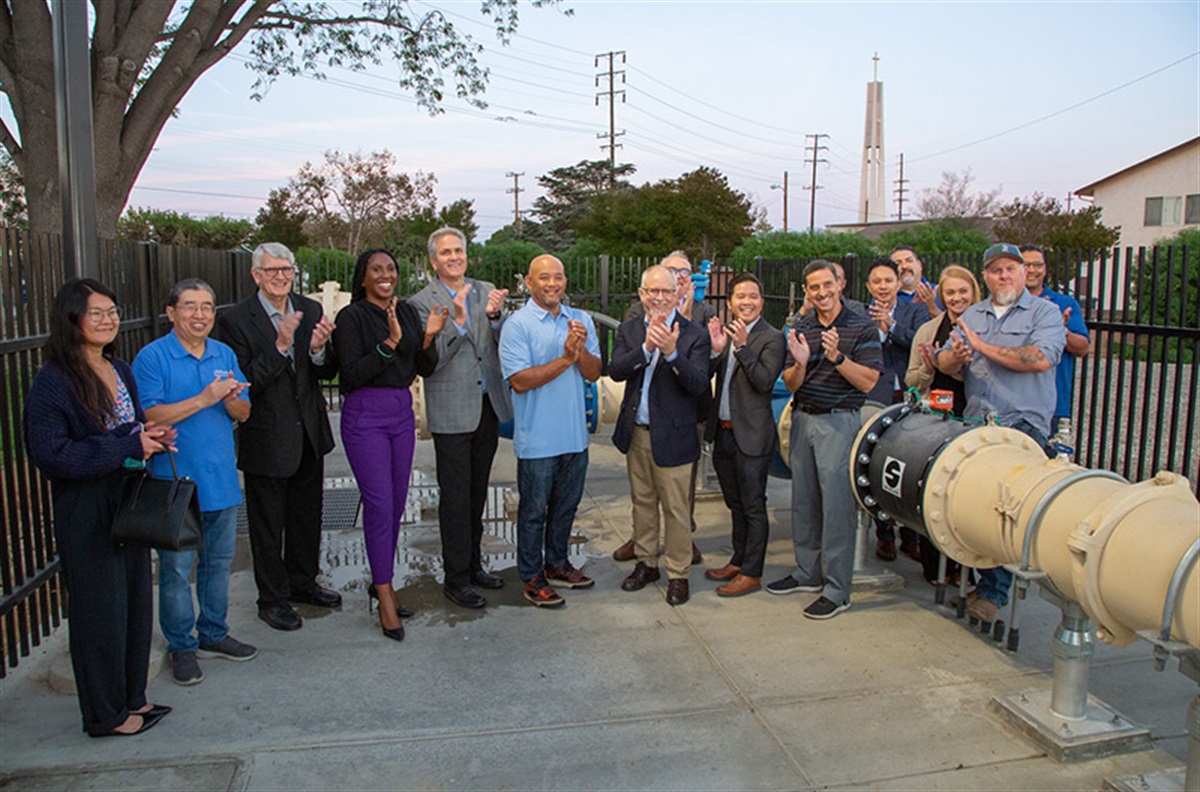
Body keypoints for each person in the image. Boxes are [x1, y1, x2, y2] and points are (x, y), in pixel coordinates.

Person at [24, 279, 176, 736]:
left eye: (112, 311)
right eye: (97, 313)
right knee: (97, 612)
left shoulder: (119, 368)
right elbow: (51, 454)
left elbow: (123, 433)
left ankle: (132, 699)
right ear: (73, 319)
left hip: (126, 497)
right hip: (86, 506)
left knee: (132, 602)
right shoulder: (54, 382)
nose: (109, 320)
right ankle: (104, 716)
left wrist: (147, 441)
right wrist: (124, 446)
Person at [133, 279, 256, 686]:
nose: (200, 315)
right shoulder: (153, 358)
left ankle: (213, 633)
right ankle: (181, 646)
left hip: (221, 481)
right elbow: (151, 417)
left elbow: (243, 413)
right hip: (175, 485)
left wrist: (231, 398)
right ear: (171, 312)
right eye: (190, 306)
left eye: (207, 306)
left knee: (218, 565)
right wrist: (205, 398)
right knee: (175, 570)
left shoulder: (223, 353)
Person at [935, 242, 1065, 623]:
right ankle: (985, 581)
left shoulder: (1046, 313)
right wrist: (953, 357)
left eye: (1011, 269)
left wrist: (981, 347)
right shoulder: (973, 314)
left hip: (1022, 427)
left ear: (1024, 272)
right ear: (986, 277)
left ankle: (994, 593)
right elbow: (946, 358)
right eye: (995, 270)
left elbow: (1040, 358)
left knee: (1007, 513)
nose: (1003, 276)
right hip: (979, 422)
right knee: (977, 508)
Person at [215, 242, 340, 633]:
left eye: (286, 269)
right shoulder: (235, 319)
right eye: (272, 271)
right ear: (256, 275)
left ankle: (303, 583)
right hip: (266, 436)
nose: (281, 277)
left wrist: (318, 351)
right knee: (268, 524)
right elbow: (246, 379)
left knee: (307, 517)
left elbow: (324, 372)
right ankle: (271, 598)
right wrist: (282, 345)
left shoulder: (310, 309)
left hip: (308, 432)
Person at [332, 248, 446, 641]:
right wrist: (391, 343)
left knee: (396, 504)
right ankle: (384, 593)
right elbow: (348, 374)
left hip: (400, 410)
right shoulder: (351, 318)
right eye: (376, 269)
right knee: (379, 503)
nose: (385, 275)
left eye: (391, 268)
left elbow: (424, 368)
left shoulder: (409, 312)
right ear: (362, 278)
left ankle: (381, 579)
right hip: (366, 415)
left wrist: (427, 336)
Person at [767, 260, 882, 620]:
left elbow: (868, 382)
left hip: (839, 423)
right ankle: (807, 572)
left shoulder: (862, 327)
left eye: (826, 285)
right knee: (804, 501)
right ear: (806, 292)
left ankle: (836, 589)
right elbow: (791, 383)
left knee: (836, 509)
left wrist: (837, 357)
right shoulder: (802, 327)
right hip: (803, 418)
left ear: (839, 284)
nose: (821, 292)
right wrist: (800, 362)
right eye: (813, 287)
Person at [409, 227, 513, 609]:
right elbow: (430, 361)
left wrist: (496, 316)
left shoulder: (486, 289)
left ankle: (473, 565)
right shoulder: (421, 303)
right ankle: (455, 579)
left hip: (488, 406)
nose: (454, 257)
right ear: (434, 261)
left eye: (459, 250)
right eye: (446, 252)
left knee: (477, 493)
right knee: (455, 498)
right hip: (452, 411)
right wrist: (458, 321)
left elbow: (502, 342)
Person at [498, 255, 601, 607]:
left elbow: (594, 372)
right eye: (544, 278)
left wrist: (580, 350)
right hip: (538, 440)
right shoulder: (518, 325)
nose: (552, 284)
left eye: (557, 277)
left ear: (565, 281)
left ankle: (557, 564)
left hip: (574, 436)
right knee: (533, 513)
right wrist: (565, 359)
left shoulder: (581, 320)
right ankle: (531, 576)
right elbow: (520, 381)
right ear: (529, 282)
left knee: (566, 508)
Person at [610, 264, 710, 606]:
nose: (660, 298)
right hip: (637, 433)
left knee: (676, 509)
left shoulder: (694, 334)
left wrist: (670, 353)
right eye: (653, 291)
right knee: (642, 503)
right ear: (642, 294)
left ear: (678, 294)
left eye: (667, 291)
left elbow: (698, 383)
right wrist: (646, 350)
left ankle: (678, 573)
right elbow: (616, 370)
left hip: (676, 437)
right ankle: (646, 562)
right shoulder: (628, 329)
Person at [703, 272, 786, 597]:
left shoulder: (771, 337)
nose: (746, 302)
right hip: (723, 433)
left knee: (753, 505)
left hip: (751, 436)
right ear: (731, 302)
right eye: (740, 297)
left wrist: (741, 348)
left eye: (753, 296)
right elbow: (709, 376)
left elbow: (764, 381)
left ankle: (752, 572)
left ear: (761, 301)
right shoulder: (726, 333)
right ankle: (738, 560)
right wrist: (715, 350)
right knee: (735, 504)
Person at [905, 264, 981, 585]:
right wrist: (928, 366)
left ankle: (965, 568)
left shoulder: (985, 328)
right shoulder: (928, 330)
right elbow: (911, 379)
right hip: (935, 419)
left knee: (965, 497)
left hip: (972, 418)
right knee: (932, 490)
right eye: (949, 292)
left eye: (963, 291)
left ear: (974, 293)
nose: (956, 297)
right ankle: (935, 565)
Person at [863, 258, 926, 563]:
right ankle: (884, 533)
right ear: (869, 286)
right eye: (877, 281)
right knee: (878, 463)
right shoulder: (861, 315)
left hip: (910, 396)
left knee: (910, 464)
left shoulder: (914, 312)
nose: (883, 287)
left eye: (888, 280)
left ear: (898, 284)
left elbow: (921, 344)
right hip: (877, 398)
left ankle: (910, 535)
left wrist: (893, 327)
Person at [1020, 244, 1091, 427]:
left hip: (1052, 405)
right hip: (1011, 405)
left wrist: (1059, 329)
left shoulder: (1064, 303)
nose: (1032, 270)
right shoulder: (1003, 305)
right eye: (1026, 265)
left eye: (1038, 265)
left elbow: (1082, 348)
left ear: (1045, 269)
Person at [889, 246, 940, 318]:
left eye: (909, 260)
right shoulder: (885, 297)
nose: (904, 266)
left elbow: (953, 325)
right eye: (898, 263)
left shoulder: (938, 292)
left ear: (919, 265)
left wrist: (932, 307)